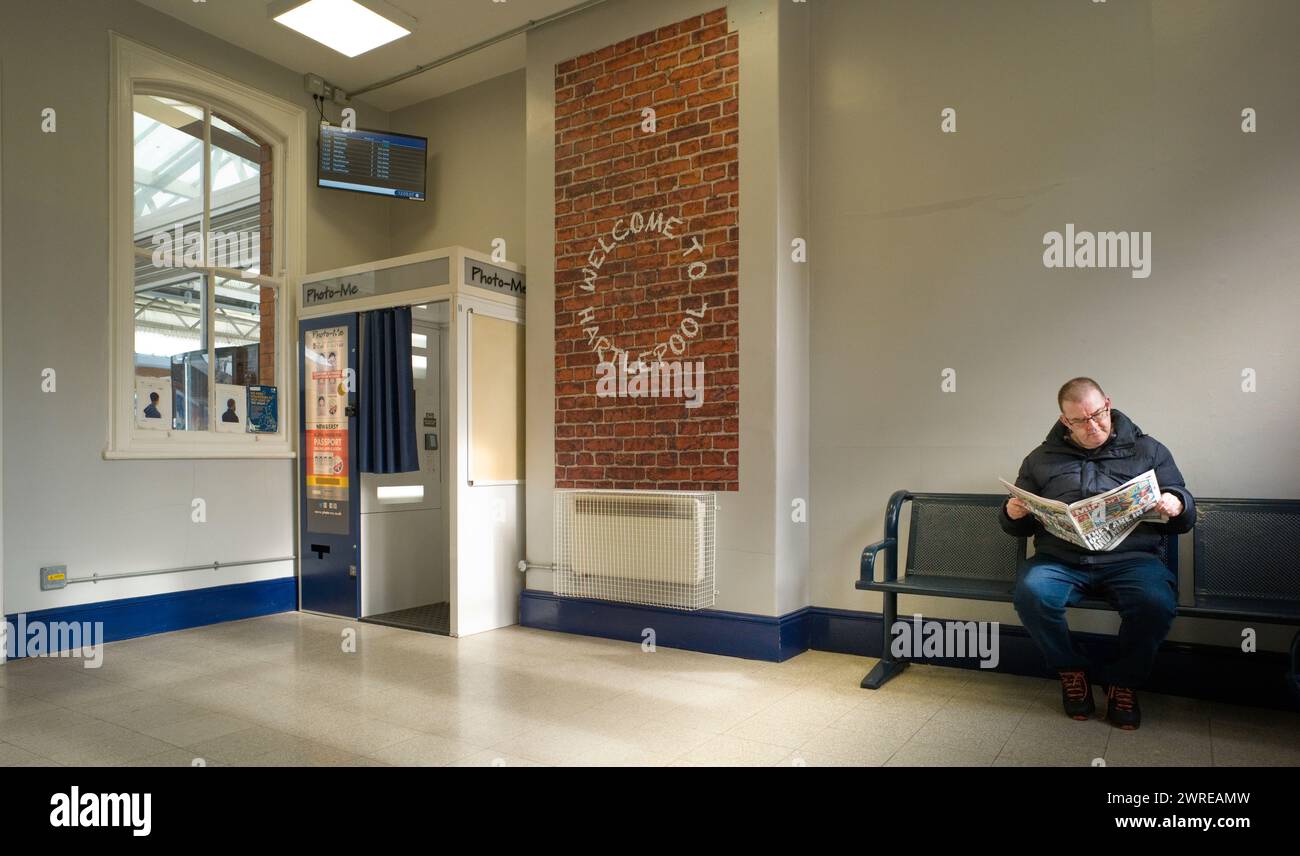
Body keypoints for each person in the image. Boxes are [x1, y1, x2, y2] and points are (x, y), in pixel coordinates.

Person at [1000, 378, 1195, 730]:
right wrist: (1012, 513)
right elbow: (1020, 523)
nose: (1093, 426)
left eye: (1099, 415)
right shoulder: (1040, 459)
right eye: (1080, 421)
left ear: (1108, 403)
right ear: (1065, 421)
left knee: (1155, 603)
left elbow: (1181, 506)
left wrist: (1177, 503)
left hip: (1131, 559)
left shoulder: (1148, 450)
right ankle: (1071, 670)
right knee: (1031, 593)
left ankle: (1124, 680)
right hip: (1060, 559)